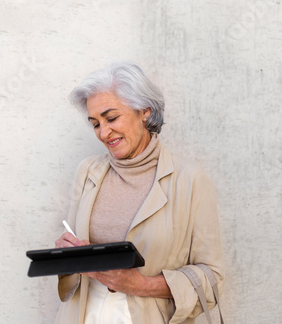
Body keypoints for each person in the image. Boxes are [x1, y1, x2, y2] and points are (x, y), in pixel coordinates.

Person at [54, 62, 225, 324]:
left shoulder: (191, 180)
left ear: (144, 111)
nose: (103, 132)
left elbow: (212, 278)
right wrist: (67, 255)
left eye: (111, 118)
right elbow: (76, 255)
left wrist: (140, 284)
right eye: (95, 123)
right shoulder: (87, 171)